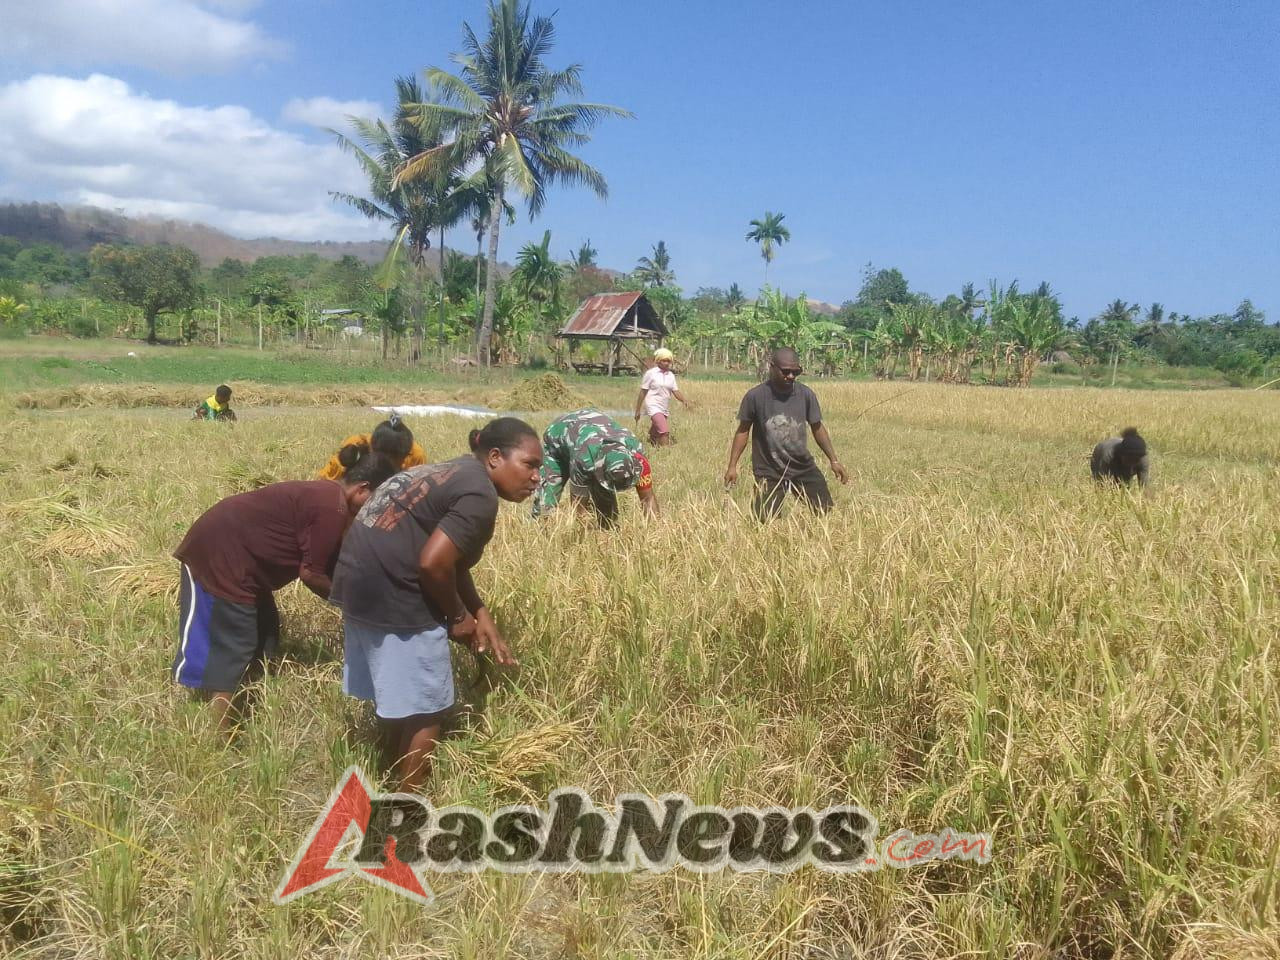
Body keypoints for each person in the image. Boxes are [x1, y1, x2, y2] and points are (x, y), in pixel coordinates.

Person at [330, 418, 542, 793]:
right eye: (530, 464)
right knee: (427, 708)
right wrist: (458, 617)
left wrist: (480, 612)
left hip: (355, 582)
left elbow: (450, 561)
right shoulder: (480, 494)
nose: (536, 477)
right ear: (495, 457)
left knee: (401, 696)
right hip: (392, 589)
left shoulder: (452, 470)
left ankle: (389, 766)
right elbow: (433, 563)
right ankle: (408, 808)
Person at [172, 449, 397, 732]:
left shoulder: (330, 499)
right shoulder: (332, 508)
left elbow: (332, 560)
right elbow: (312, 574)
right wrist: (352, 606)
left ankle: (250, 702)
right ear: (363, 490)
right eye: (378, 501)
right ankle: (220, 734)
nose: (377, 511)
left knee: (265, 633)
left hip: (246, 563)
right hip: (222, 557)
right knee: (236, 646)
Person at [723, 347, 850, 520]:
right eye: (786, 371)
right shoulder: (755, 397)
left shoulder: (806, 395)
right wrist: (732, 465)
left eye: (795, 372)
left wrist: (834, 460)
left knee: (825, 512)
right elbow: (743, 431)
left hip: (802, 467)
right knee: (764, 521)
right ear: (772, 367)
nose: (791, 376)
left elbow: (817, 428)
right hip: (769, 470)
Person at [532, 409, 658, 526]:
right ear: (600, 469)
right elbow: (579, 509)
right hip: (559, 437)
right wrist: (585, 538)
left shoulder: (639, 458)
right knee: (545, 506)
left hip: (593, 427)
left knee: (608, 517)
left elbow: (648, 499)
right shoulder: (584, 459)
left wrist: (655, 532)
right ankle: (540, 531)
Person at [318, 415, 426, 480]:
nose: (398, 463)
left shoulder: (416, 454)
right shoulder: (354, 447)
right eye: (392, 459)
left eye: (400, 458)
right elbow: (326, 484)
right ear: (374, 449)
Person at [634, 347, 692, 447]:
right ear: (658, 361)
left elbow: (675, 391)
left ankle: (651, 442)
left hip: (663, 406)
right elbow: (643, 392)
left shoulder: (671, 375)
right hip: (653, 405)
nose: (666, 363)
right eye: (664, 360)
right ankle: (666, 450)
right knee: (664, 431)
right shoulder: (651, 374)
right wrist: (637, 410)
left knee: (656, 430)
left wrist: (684, 401)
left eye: (668, 361)